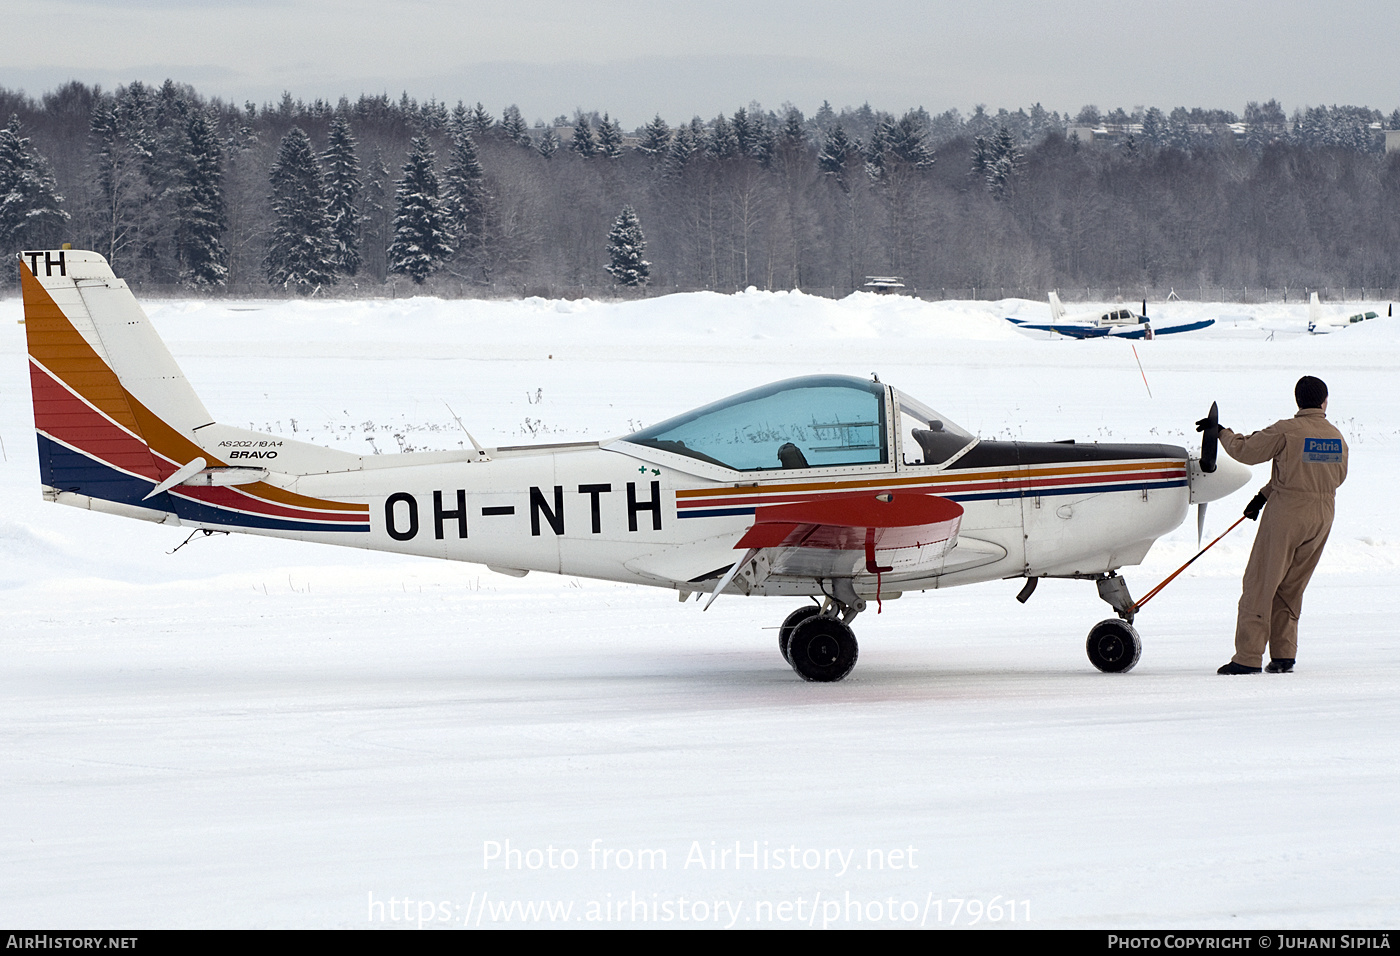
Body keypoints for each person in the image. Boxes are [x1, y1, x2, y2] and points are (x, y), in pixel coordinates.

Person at [1202, 376, 1348, 674]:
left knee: (1261, 582)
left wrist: (1222, 433)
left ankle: (1248, 657)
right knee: (1292, 586)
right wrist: (1263, 496)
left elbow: (1247, 452)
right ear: (1325, 401)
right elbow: (1330, 477)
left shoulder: (1287, 430)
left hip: (1287, 515)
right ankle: (1284, 655)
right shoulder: (1336, 436)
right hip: (1323, 516)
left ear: (1298, 400)